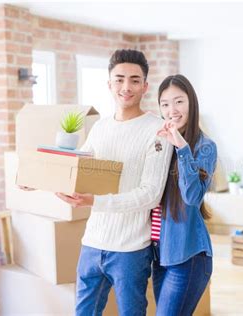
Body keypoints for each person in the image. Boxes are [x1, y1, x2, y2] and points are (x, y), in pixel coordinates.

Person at [55, 49, 173, 315]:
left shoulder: (158, 131)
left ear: (145, 86)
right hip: (92, 244)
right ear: (109, 84)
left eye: (134, 80)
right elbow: (78, 170)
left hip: (130, 250)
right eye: (119, 79)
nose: (126, 87)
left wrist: (94, 201)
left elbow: (150, 194)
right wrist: (38, 180)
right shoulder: (100, 128)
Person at [151, 74, 217, 315]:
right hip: (160, 255)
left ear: (191, 103)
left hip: (188, 257)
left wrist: (181, 147)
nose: (172, 110)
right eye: (165, 104)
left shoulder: (204, 146)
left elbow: (192, 197)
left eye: (179, 101)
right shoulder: (159, 142)